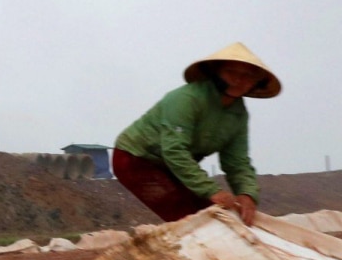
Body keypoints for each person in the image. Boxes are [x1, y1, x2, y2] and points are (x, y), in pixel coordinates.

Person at [112, 43, 280, 225]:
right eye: (232, 72)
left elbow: (237, 162)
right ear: (216, 72)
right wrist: (212, 190)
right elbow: (174, 150)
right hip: (136, 159)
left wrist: (247, 193)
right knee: (192, 219)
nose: (239, 80)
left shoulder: (238, 115)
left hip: (174, 167)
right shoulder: (187, 99)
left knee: (216, 214)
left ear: (257, 82)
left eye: (248, 76)